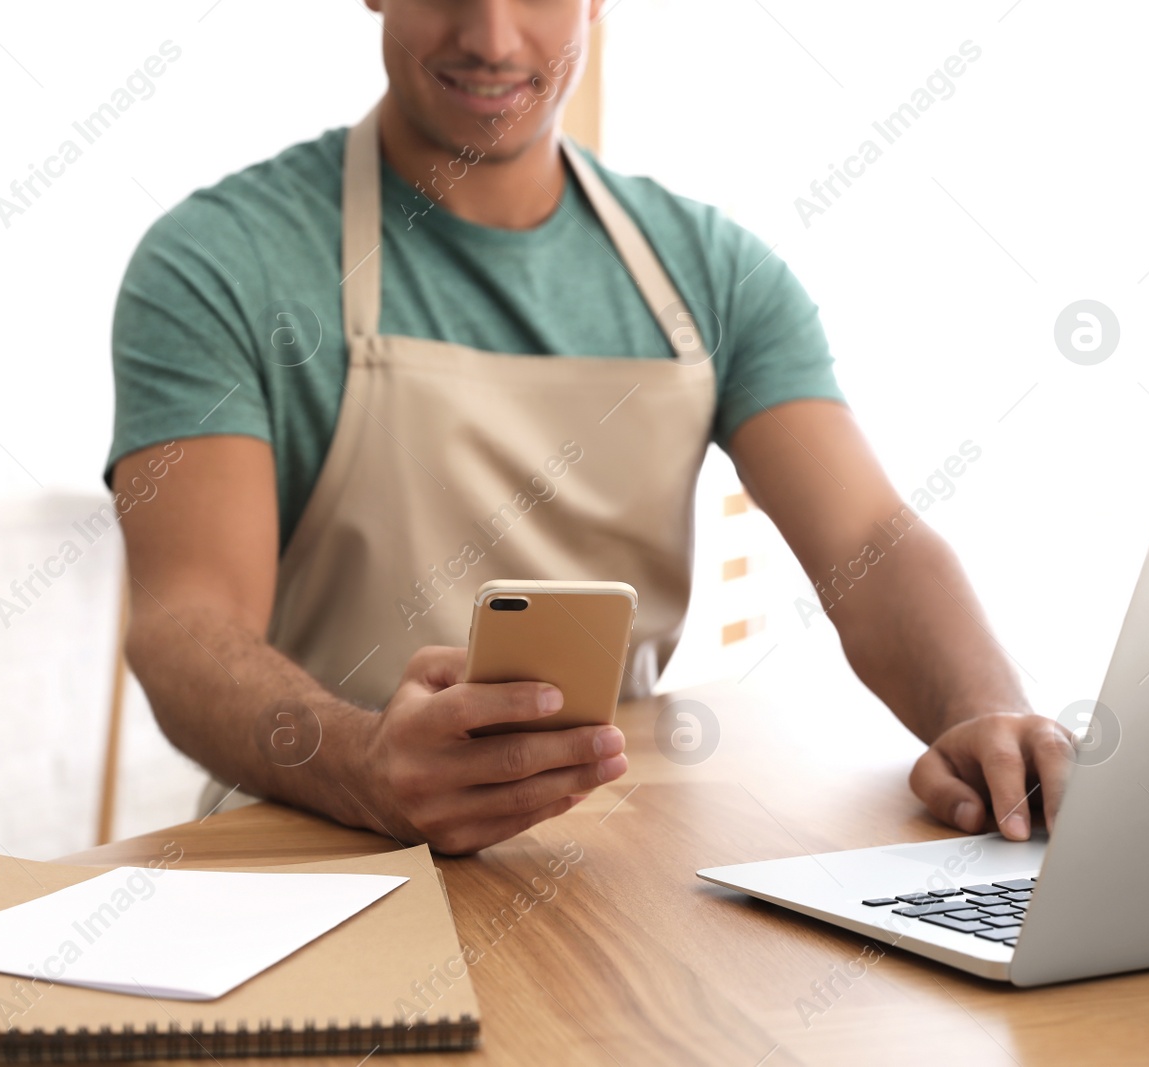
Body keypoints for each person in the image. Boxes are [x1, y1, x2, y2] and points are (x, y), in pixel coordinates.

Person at [107, 0, 1073, 855]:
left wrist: (983, 712)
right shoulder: (218, 264)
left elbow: (870, 541)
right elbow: (185, 622)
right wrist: (364, 765)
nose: (491, 37)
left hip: (614, 868)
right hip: (311, 859)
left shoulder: (717, 276)